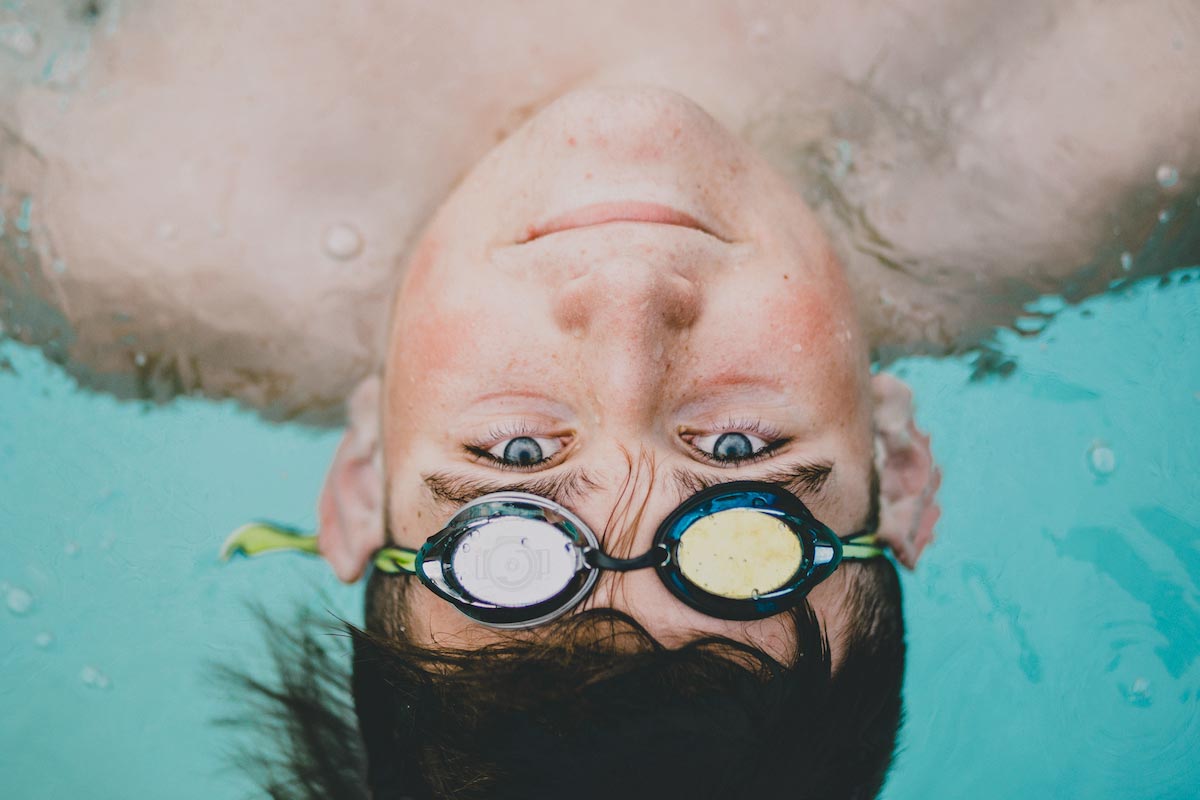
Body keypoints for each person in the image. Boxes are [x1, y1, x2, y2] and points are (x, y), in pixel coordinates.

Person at [1, 2, 1195, 798]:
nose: (628, 303)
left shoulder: (102, 217)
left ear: (365, 471)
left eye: (514, 449)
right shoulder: (1102, 110)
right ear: (898, 450)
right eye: (741, 448)